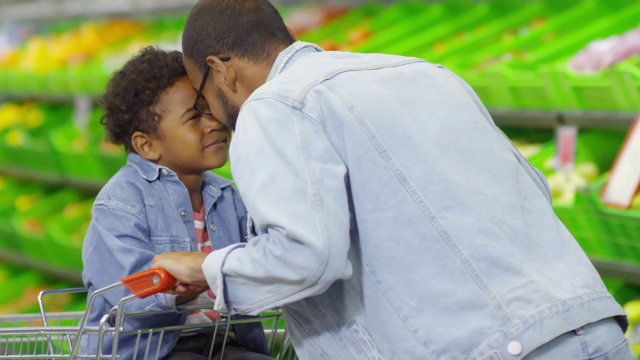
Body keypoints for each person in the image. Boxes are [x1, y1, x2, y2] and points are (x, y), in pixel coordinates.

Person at [152, 1, 631, 358]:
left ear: (219, 70)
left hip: (491, 348)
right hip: (593, 327)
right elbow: (533, 191)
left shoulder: (275, 105)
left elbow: (306, 256)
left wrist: (204, 268)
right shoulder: (424, 73)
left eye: (202, 99)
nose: (213, 117)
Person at [81, 46, 270, 360]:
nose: (213, 122)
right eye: (195, 116)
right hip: (149, 349)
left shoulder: (228, 196)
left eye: (211, 107)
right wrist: (178, 285)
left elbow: (260, 258)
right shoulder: (119, 205)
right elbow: (126, 295)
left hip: (221, 342)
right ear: (148, 144)